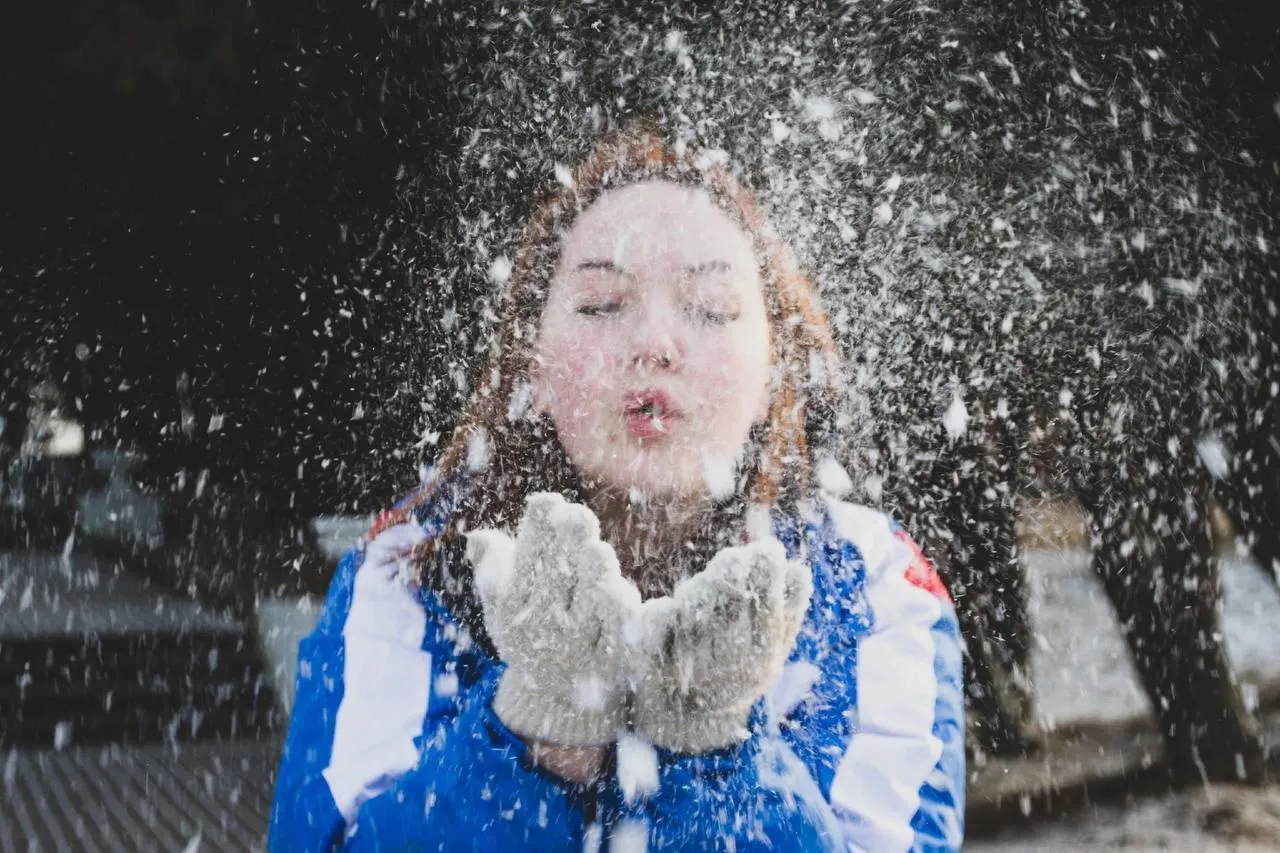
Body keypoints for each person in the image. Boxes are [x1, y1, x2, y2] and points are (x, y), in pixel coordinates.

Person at [268, 126, 965, 851]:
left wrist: (718, 751)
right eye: (602, 303)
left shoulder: (874, 585)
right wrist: (530, 735)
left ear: (773, 374)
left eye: (711, 308)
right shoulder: (410, 571)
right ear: (531, 369)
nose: (656, 342)